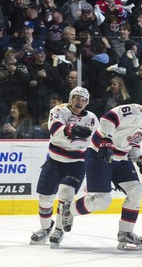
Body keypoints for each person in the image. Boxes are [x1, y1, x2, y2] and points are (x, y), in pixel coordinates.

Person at [59, 95, 142, 251]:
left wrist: (140, 158)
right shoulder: (135, 111)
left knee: (137, 191)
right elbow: (107, 118)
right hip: (99, 154)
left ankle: (126, 232)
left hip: (121, 157)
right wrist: (106, 139)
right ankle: (68, 210)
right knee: (103, 201)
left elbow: (133, 143)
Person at [29, 87, 99, 248]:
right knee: (45, 198)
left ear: (87, 102)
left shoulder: (92, 119)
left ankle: (59, 229)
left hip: (77, 163)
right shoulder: (58, 110)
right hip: (54, 161)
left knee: (66, 194)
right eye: (76, 98)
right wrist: (71, 129)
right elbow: (55, 131)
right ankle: (45, 228)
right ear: (70, 99)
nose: (79, 102)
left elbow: (97, 140)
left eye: (83, 99)